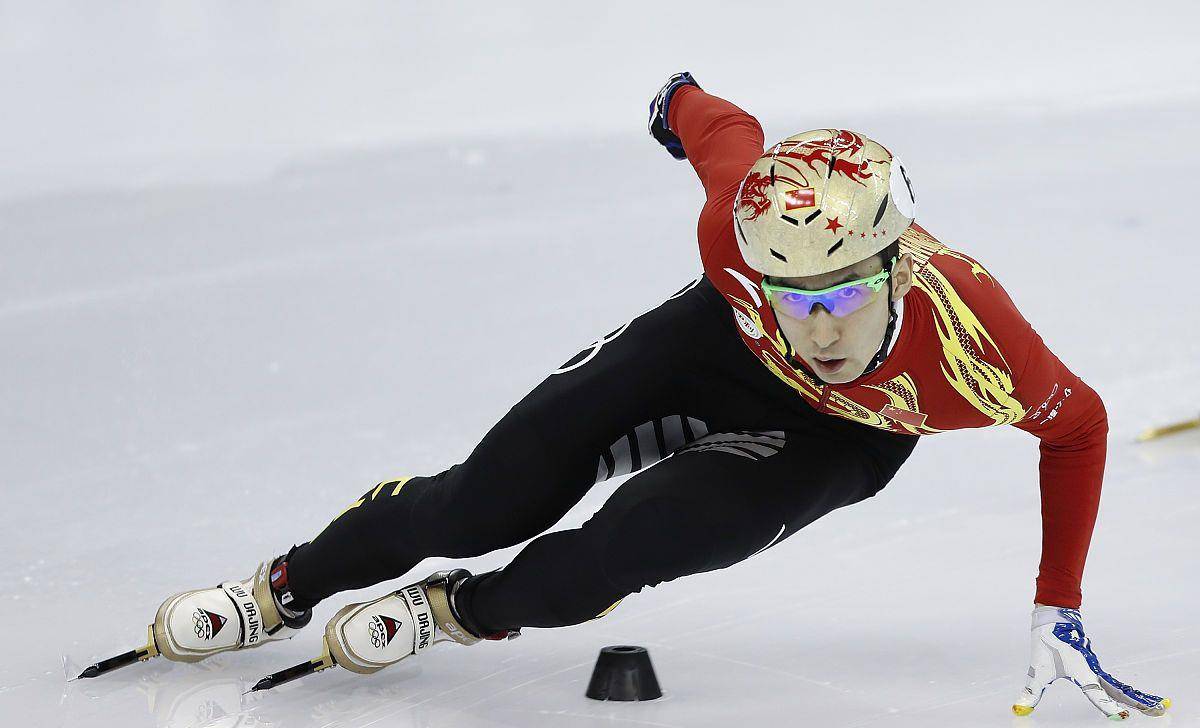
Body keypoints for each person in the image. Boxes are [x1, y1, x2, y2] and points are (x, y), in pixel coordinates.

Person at [89, 73, 1167, 720]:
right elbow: (714, 128)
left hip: (841, 437)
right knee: (479, 500)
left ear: (894, 264)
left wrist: (1057, 597)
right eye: (787, 292)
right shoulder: (731, 231)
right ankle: (287, 583)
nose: (816, 323)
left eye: (840, 290)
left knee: (624, 547)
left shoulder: (977, 340)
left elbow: (1080, 430)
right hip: (704, 351)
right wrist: (675, 98)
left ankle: (460, 611)